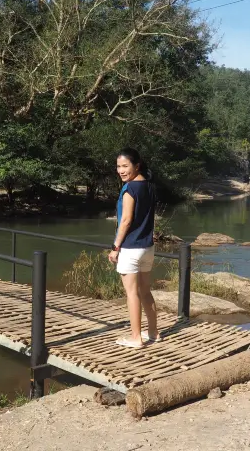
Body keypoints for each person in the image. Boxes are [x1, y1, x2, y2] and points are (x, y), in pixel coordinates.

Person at [108, 148, 160, 348]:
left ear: (136, 166)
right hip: (147, 247)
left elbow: (127, 220)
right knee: (145, 291)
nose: (121, 170)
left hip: (130, 248)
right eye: (118, 166)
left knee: (132, 293)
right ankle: (153, 332)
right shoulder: (148, 186)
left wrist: (115, 247)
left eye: (125, 166)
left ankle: (136, 337)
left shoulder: (130, 189)